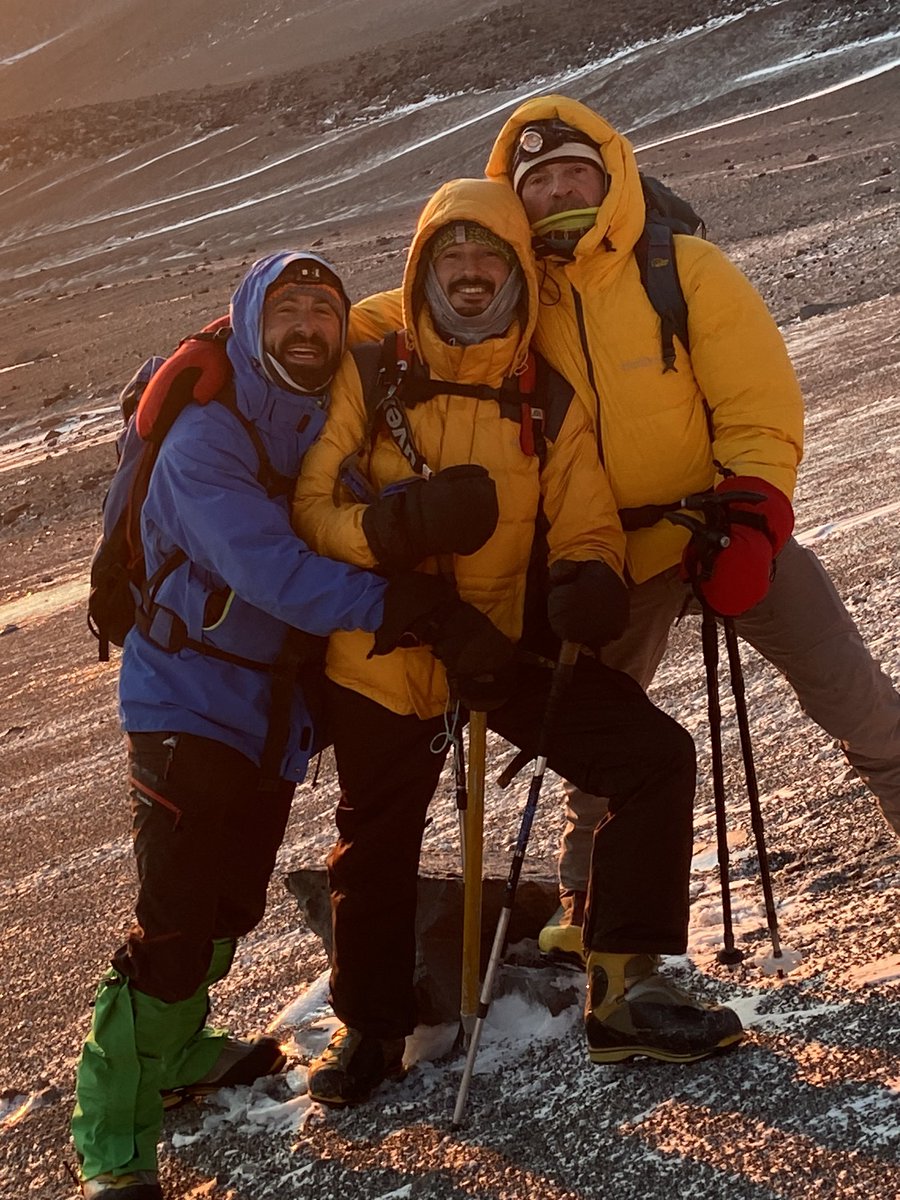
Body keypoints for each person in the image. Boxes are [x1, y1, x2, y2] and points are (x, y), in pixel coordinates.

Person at [291, 177, 744, 1109]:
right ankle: (370, 1027)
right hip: (387, 653)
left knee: (653, 758)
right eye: (451, 256)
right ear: (423, 267)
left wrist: (591, 576)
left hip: (499, 651)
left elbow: (585, 518)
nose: (469, 273)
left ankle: (626, 986)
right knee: (375, 840)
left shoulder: (546, 395)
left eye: (487, 257)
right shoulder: (371, 373)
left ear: (514, 272)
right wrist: (388, 532)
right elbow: (311, 507)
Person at [71, 252, 498, 1200]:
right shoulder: (204, 440)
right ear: (250, 321)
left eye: (323, 310)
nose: (308, 327)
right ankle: (112, 1140)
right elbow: (273, 571)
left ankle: (178, 1051)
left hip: (270, 710)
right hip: (186, 703)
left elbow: (340, 508)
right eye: (289, 310)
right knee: (174, 922)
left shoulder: (317, 414)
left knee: (230, 903)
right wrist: (403, 609)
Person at [468, 93, 900, 960]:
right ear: (516, 198)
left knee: (850, 690)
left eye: (575, 173)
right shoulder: (513, 298)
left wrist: (753, 521)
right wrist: (251, 329)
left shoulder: (683, 268)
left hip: (721, 528)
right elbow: (409, 317)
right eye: (539, 181)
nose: (559, 191)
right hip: (607, 556)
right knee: (605, 739)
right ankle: (589, 901)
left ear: (610, 178)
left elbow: (757, 401)